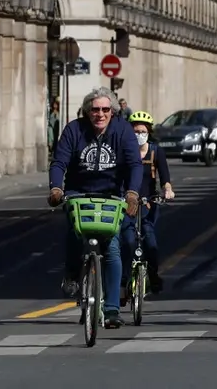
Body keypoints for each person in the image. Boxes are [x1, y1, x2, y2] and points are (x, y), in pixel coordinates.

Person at [48, 87, 143, 329]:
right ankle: (72, 274)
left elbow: (134, 164)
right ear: (87, 111)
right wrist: (56, 189)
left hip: (112, 195)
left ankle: (111, 309)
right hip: (78, 193)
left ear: (113, 112)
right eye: (94, 110)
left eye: (105, 110)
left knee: (112, 246)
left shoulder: (123, 131)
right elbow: (59, 162)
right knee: (74, 232)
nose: (99, 114)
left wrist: (132, 193)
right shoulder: (74, 129)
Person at [120, 110, 173, 299]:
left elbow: (165, 177)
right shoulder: (124, 151)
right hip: (127, 203)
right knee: (127, 240)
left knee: (149, 241)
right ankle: (123, 280)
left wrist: (167, 189)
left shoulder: (156, 151)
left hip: (148, 203)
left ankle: (153, 274)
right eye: (135, 131)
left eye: (142, 131)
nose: (139, 135)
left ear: (149, 132)